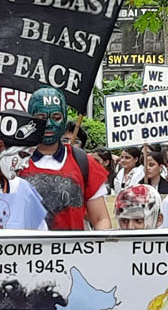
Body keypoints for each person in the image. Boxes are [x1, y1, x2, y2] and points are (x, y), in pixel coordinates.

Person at [20, 86, 112, 230]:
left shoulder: (84, 163)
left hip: (72, 251)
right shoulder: (13, 161)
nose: (49, 124)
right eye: (41, 118)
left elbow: (101, 219)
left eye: (56, 118)